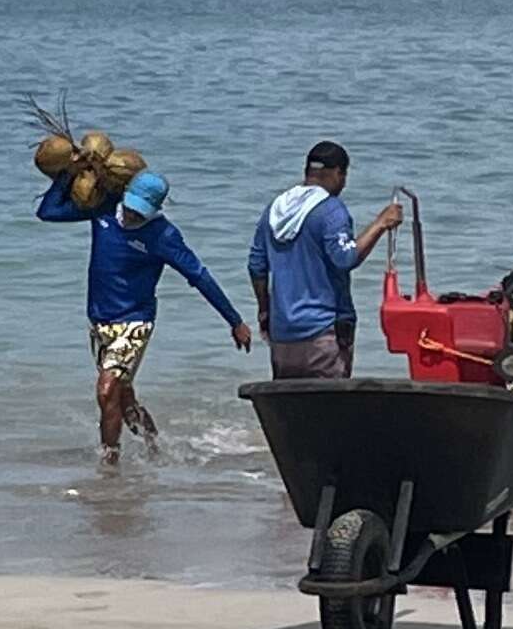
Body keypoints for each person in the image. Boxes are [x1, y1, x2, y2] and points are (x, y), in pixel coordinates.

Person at [38, 164, 250, 462]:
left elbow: (199, 276)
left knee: (105, 391)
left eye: (141, 212)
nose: (132, 216)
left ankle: (109, 464)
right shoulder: (103, 209)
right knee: (123, 400)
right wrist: (67, 174)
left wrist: (235, 321)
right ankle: (155, 446)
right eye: (130, 208)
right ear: (125, 196)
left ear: (155, 210)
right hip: (99, 321)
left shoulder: (163, 235)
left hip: (134, 322)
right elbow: (48, 212)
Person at [248, 141, 403, 377]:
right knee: (328, 399)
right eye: (344, 176)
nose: (343, 183)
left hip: (282, 334)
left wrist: (265, 310)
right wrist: (380, 224)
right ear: (337, 172)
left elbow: (256, 265)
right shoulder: (331, 209)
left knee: (287, 398)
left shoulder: (275, 209)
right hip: (323, 332)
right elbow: (345, 258)